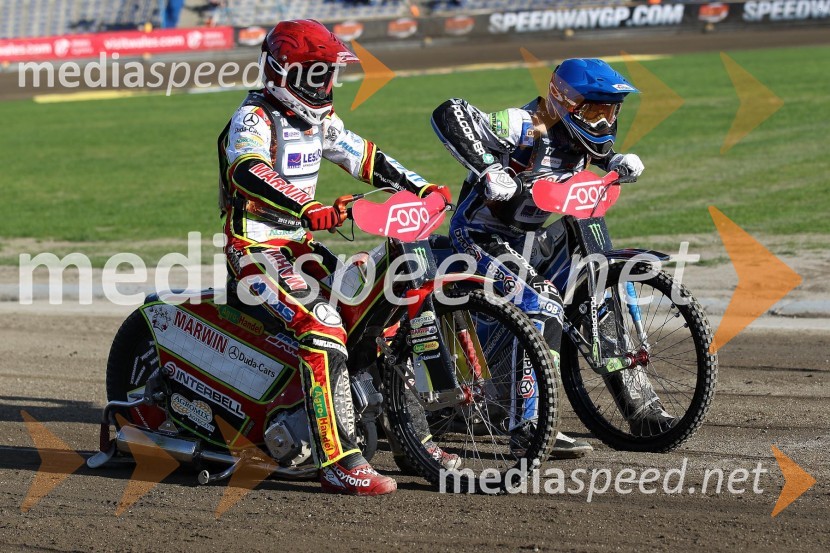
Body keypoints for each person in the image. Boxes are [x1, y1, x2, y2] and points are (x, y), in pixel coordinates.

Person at [217, 19, 450, 495]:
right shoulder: (254, 118)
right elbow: (248, 170)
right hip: (255, 249)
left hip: (300, 249)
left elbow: (364, 156)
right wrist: (308, 207)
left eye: (329, 74)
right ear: (283, 73)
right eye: (316, 74)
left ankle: (412, 438)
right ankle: (338, 459)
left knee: (378, 312)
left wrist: (422, 187)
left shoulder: (318, 119)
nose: (326, 85)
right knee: (322, 322)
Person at [430, 58, 677, 457]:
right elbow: (449, 112)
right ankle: (527, 429)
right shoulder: (524, 124)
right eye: (594, 111)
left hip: (535, 235)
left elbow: (589, 154)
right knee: (538, 301)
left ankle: (642, 409)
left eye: (609, 112)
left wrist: (614, 162)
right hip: (480, 234)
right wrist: (488, 169)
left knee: (601, 284)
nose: (603, 122)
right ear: (566, 102)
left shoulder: (586, 139)